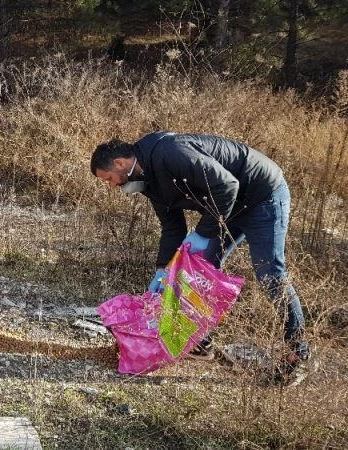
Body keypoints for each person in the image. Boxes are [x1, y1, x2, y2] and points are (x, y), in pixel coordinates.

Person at [90, 131, 312, 385]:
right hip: (229, 205)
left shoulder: (170, 152)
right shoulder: (147, 180)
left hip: (262, 195)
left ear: (120, 163)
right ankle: (198, 343)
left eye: (108, 179)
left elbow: (227, 185)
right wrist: (164, 268)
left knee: (270, 272)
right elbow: (172, 226)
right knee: (196, 270)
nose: (111, 185)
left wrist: (203, 234)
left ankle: (298, 353)